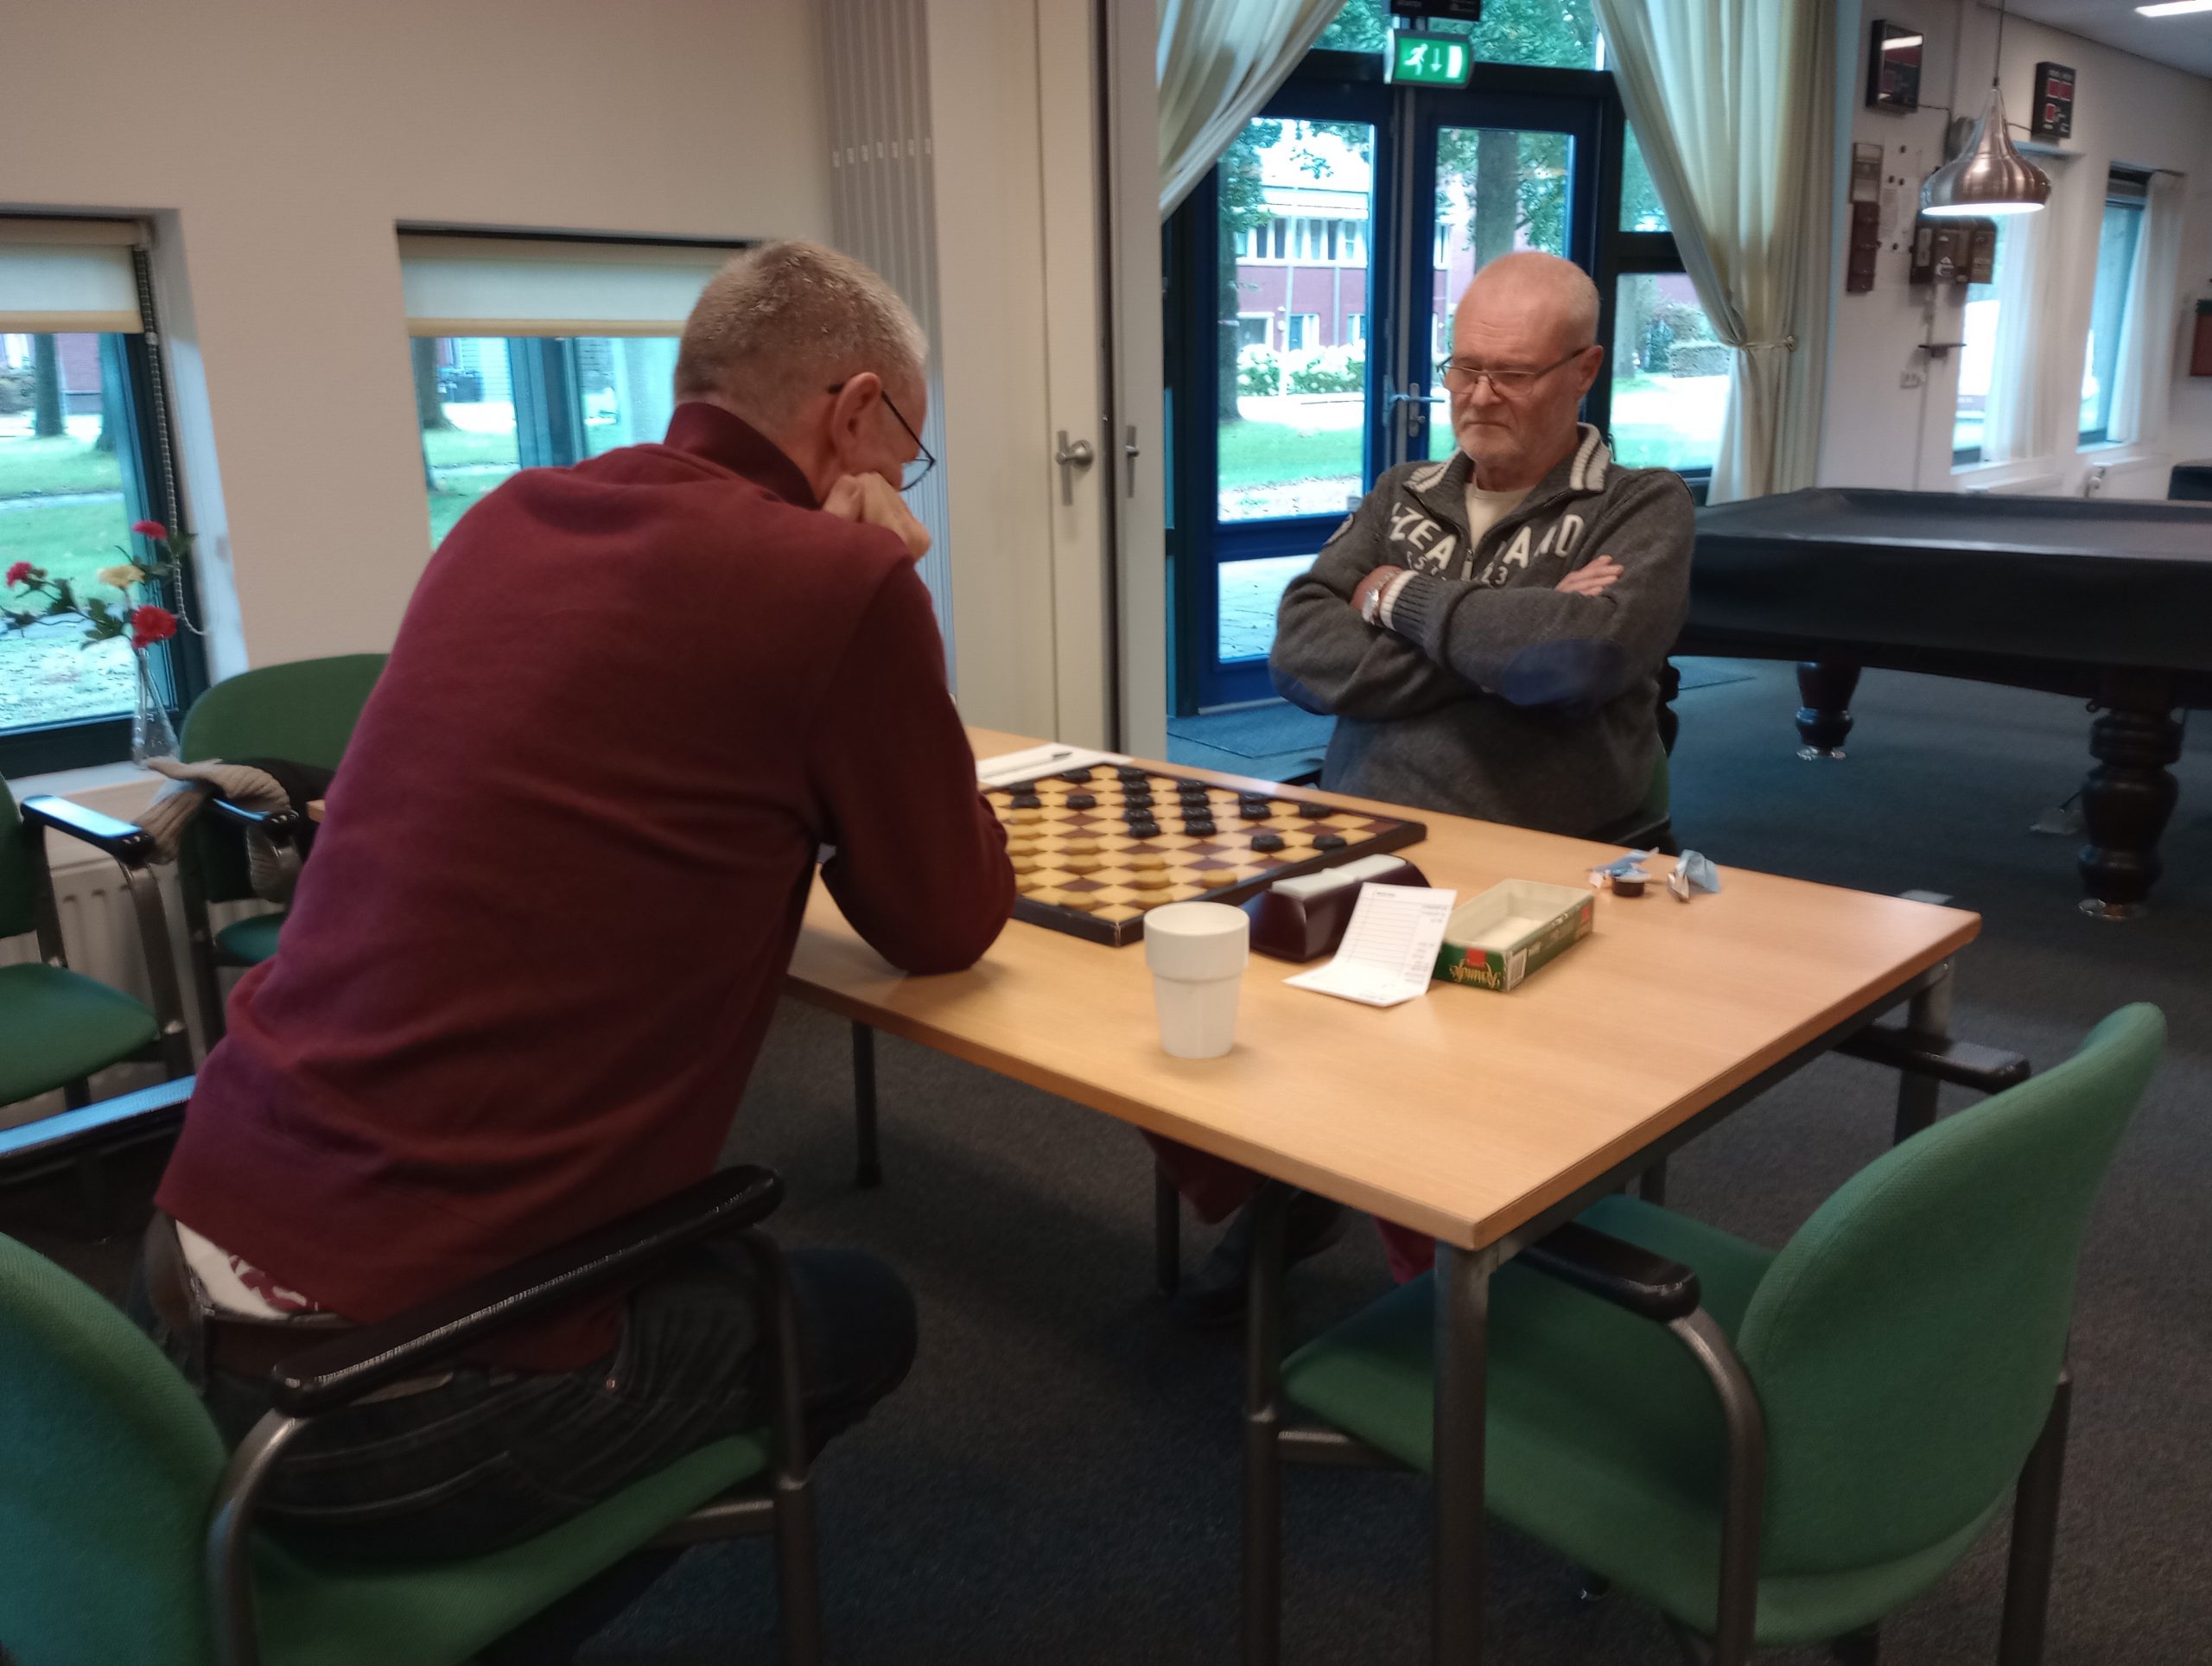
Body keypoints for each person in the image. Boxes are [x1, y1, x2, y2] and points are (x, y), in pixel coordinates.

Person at [138, 241, 1013, 1658]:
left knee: (705, 1248)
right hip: (383, 1407)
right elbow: (946, 916)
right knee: (856, 1311)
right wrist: (890, 591)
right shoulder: (840, 581)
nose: (906, 481)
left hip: (174, 1292)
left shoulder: (506, 518)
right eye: (908, 446)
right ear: (857, 411)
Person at [1154, 252, 1694, 1321]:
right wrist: (1507, 633)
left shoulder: (1644, 505)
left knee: (1431, 1089)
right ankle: (1287, 1184)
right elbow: (1300, 652)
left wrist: (1396, 597)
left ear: (1583, 369)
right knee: (1188, 1007)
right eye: (1462, 368)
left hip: (1544, 858)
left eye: (1512, 373)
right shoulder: (1403, 490)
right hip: (1364, 832)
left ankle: (1450, 1273)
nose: (1477, 395)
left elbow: (1574, 662)